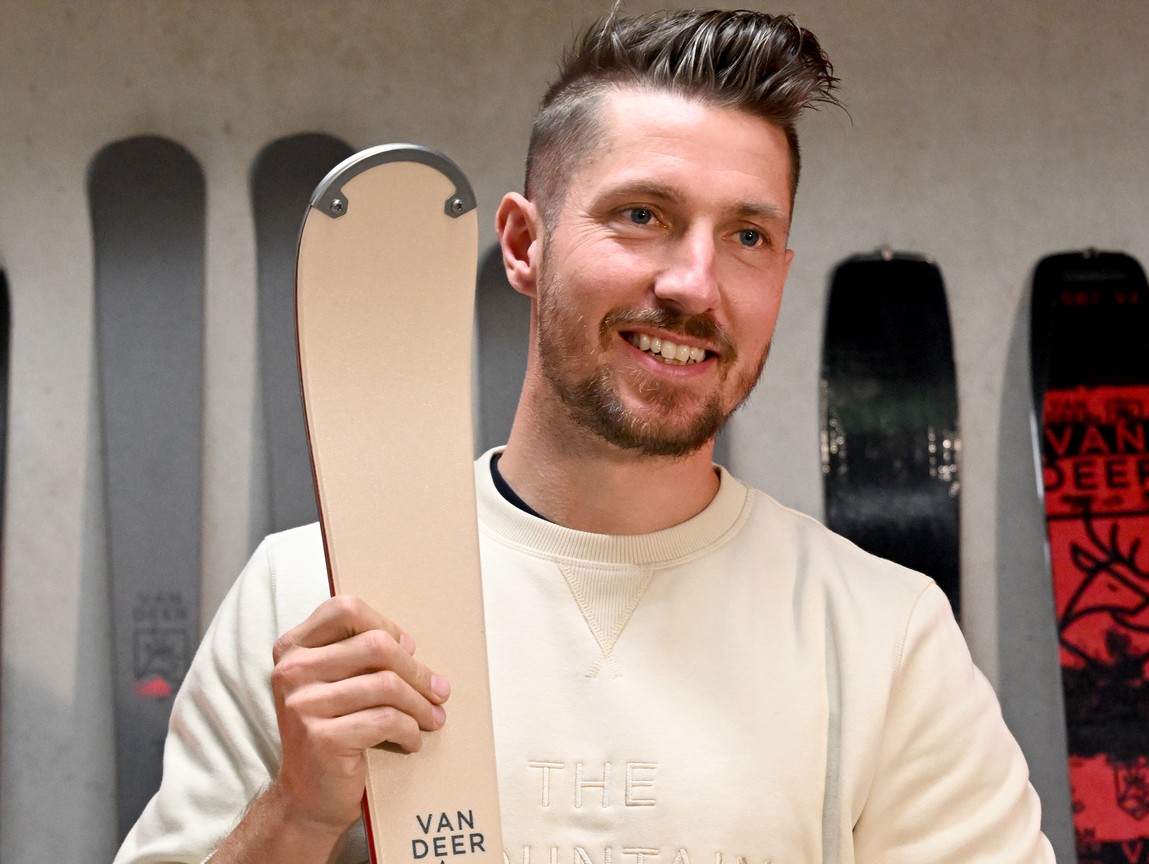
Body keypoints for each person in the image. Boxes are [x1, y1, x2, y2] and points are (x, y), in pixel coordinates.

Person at [115, 9, 1055, 863]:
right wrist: (296, 813)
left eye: (748, 237)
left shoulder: (883, 635)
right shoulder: (310, 598)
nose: (695, 284)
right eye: (643, 216)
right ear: (523, 244)